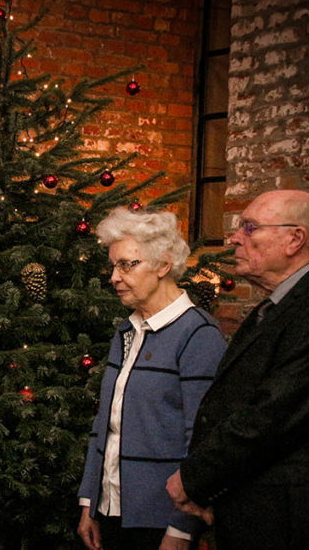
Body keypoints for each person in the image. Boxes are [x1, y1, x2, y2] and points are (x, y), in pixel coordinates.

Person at [165, 190, 309, 550]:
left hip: (292, 521)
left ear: (295, 239)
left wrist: (193, 479)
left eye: (249, 227)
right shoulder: (283, 305)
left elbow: (269, 418)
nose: (234, 238)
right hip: (258, 511)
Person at [77, 207, 226, 550]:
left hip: (161, 521)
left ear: (163, 265)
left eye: (127, 264)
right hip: (111, 511)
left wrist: (181, 528)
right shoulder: (126, 330)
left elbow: (203, 442)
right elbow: (105, 424)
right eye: (112, 265)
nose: (114, 276)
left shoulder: (198, 334)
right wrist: (89, 503)